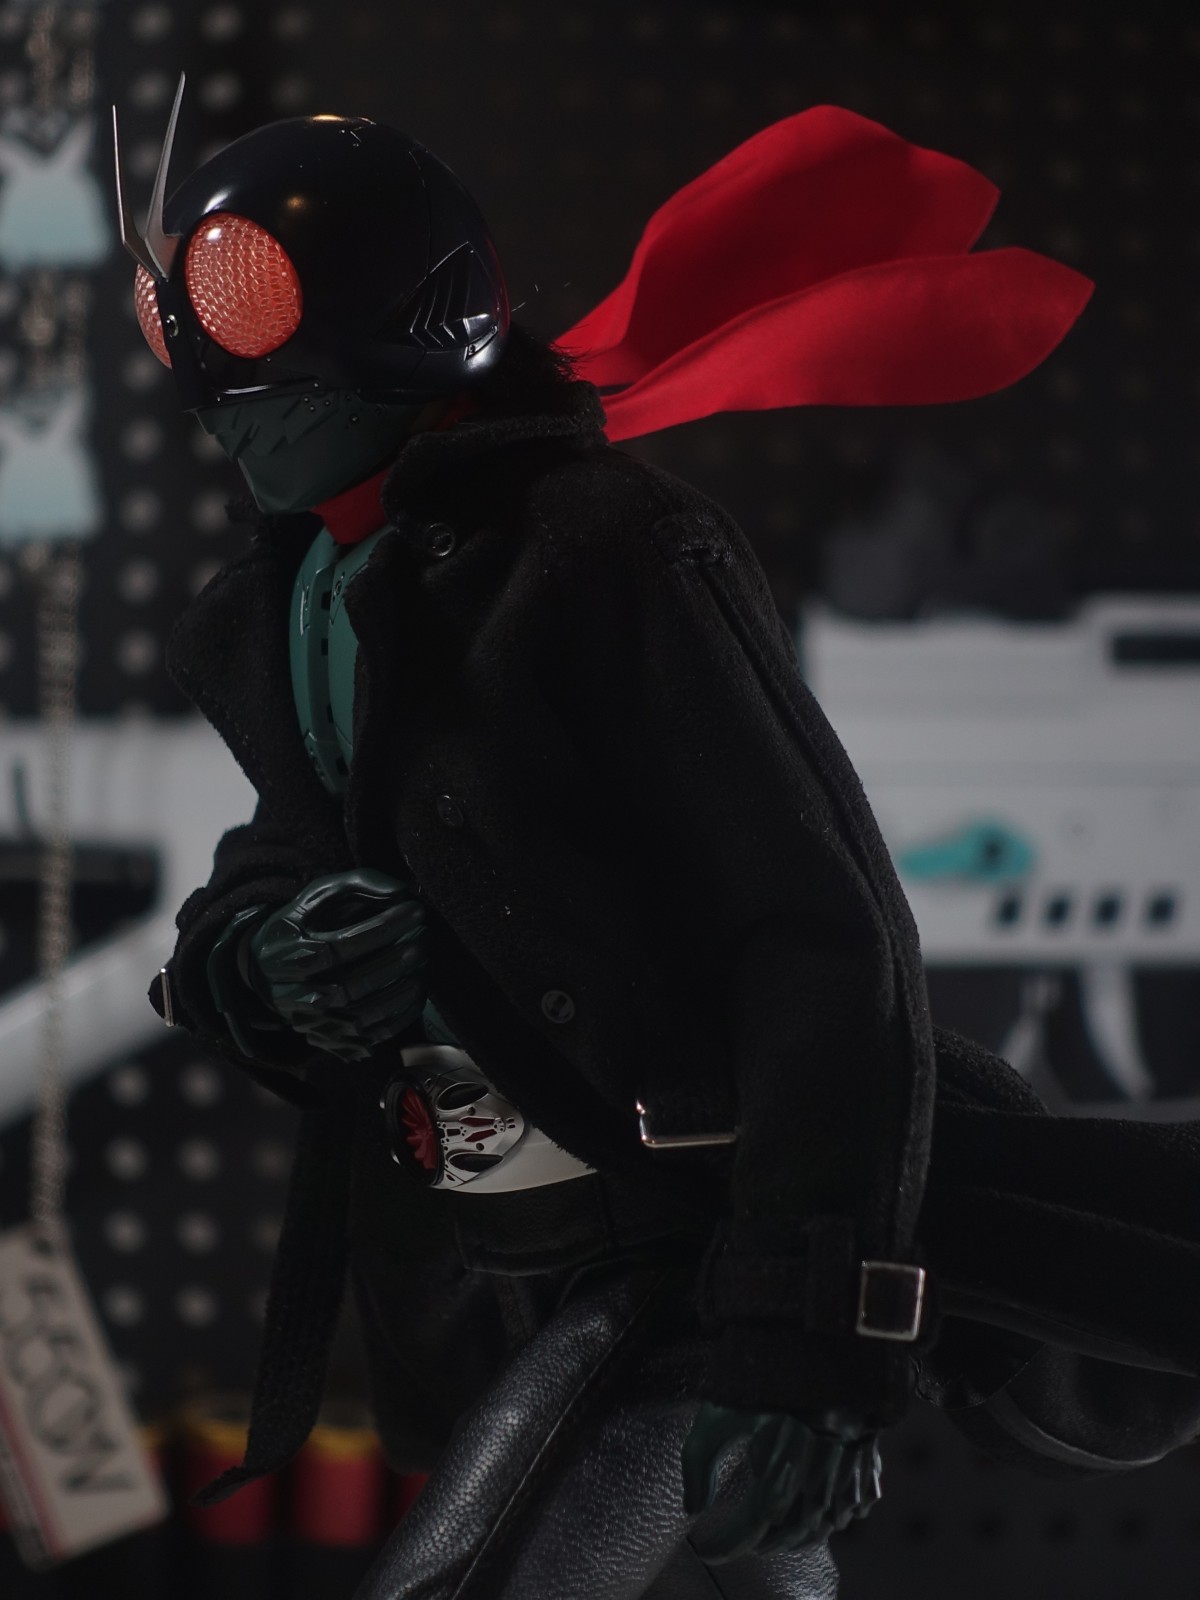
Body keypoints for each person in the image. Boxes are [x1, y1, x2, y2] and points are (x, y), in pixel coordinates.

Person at [118, 86, 1200, 1599]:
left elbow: (822, 941)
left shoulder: (604, 551)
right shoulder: (298, 605)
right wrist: (263, 963)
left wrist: (808, 1337)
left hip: (684, 1242)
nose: (220, 393)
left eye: (248, 320)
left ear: (411, 322)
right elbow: (287, 853)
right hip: (510, 1256)